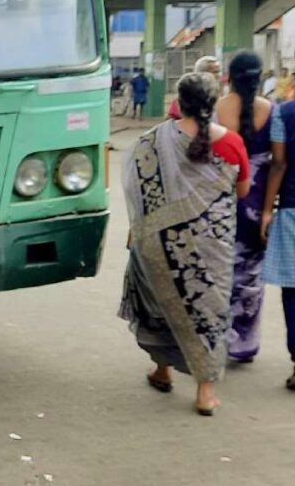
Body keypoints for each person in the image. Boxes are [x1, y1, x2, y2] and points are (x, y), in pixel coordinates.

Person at [119, 71, 250, 416]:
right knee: (207, 311)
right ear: (212, 101)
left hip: (160, 244)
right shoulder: (232, 143)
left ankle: (162, 370)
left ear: (179, 100)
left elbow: (137, 190)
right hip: (212, 246)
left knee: (161, 304)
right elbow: (241, 191)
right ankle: (205, 393)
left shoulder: (153, 139)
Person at [215, 50, 286, 363]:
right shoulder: (273, 110)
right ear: (259, 79)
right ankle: (243, 345)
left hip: (219, 200)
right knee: (250, 275)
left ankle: (215, 340)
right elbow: (277, 164)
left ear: (229, 77)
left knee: (217, 271)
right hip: (257, 202)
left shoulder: (216, 109)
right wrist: (268, 209)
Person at [262, 97, 295, 390]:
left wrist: (266, 210)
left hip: (291, 211)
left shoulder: (283, 113)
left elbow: (279, 164)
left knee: (293, 289)